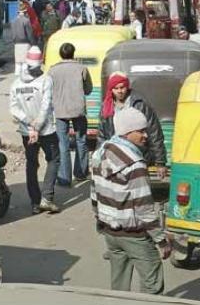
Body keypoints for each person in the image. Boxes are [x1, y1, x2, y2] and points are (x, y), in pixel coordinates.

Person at [91, 107, 172, 295]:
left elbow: (94, 193)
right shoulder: (135, 163)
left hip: (111, 233)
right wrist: (161, 240)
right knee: (152, 284)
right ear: (127, 133)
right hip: (134, 235)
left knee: (119, 287)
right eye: (141, 131)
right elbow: (144, 208)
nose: (145, 136)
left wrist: (100, 222)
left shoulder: (99, 153)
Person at [9, 46, 61, 214]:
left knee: (31, 164)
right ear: (41, 62)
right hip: (46, 130)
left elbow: (14, 109)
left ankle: (35, 203)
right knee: (53, 159)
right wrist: (37, 126)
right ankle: (47, 197)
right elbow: (46, 107)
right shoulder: (46, 80)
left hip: (27, 132)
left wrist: (29, 125)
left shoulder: (16, 84)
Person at [98, 72, 167, 178]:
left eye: (122, 87)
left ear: (127, 86)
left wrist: (160, 162)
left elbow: (154, 132)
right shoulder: (106, 107)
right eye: (116, 88)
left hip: (138, 154)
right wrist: (100, 158)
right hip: (115, 154)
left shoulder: (140, 104)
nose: (120, 91)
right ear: (111, 89)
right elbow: (102, 136)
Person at [49, 43, 93, 186]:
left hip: (60, 111)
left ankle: (64, 178)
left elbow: (49, 91)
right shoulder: (82, 69)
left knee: (63, 143)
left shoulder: (52, 70)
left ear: (60, 54)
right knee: (81, 140)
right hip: (78, 110)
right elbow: (88, 90)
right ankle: (80, 173)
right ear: (73, 53)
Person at [11, 3, 37, 74]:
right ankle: (24, 77)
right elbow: (30, 34)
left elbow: (13, 33)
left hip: (16, 43)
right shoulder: (26, 21)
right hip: (25, 43)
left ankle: (17, 77)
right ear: (25, 12)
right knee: (25, 62)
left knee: (18, 63)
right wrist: (33, 43)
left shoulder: (13, 21)